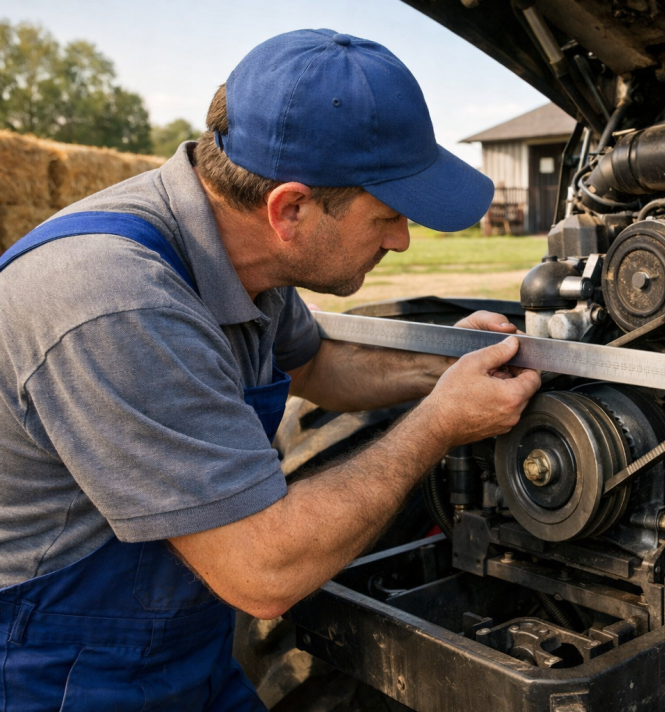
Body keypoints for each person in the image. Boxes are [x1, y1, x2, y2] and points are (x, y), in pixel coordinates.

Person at [0, 29, 540, 710]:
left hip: (182, 644)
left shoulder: (245, 254)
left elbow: (316, 364)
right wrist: (438, 425)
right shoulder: (113, 300)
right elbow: (261, 572)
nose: (401, 240)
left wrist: (449, 366)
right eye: (388, 217)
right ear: (290, 208)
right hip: (58, 670)